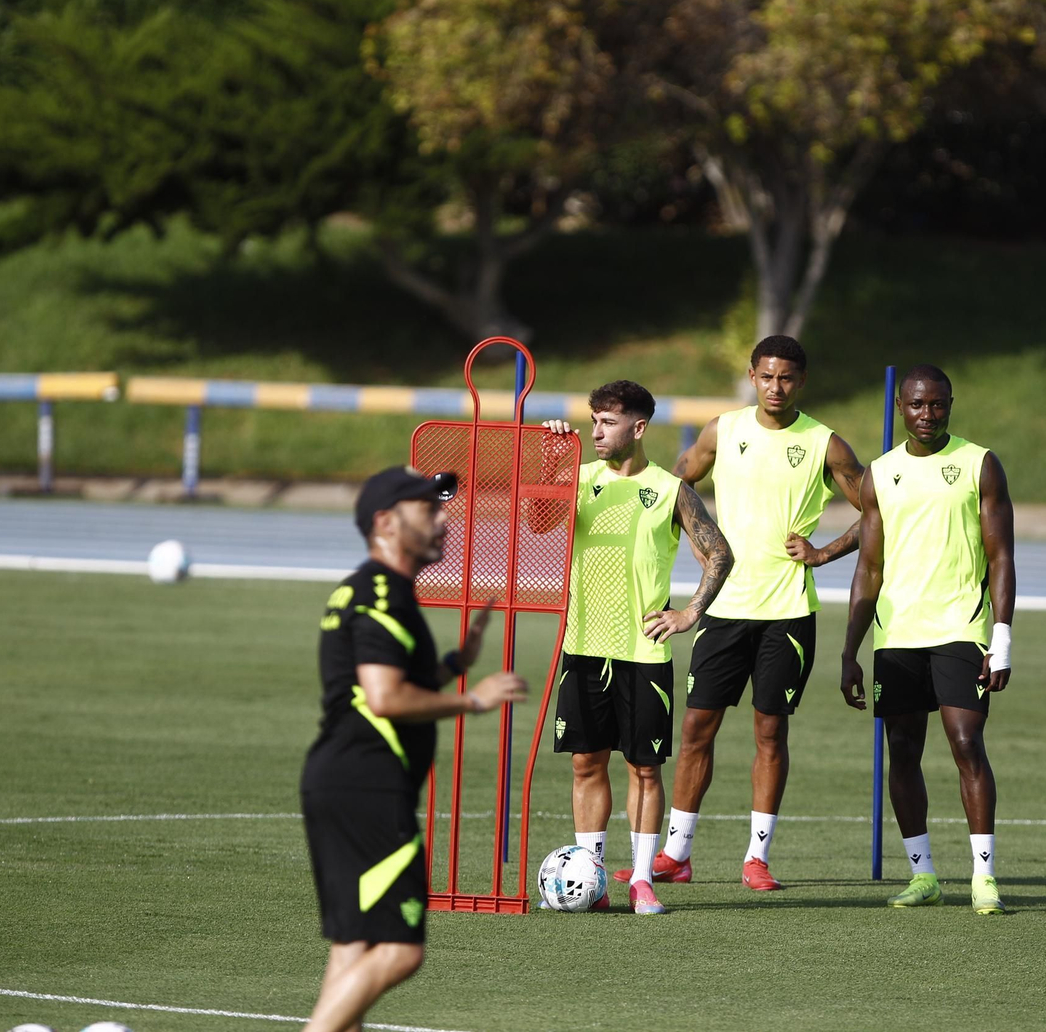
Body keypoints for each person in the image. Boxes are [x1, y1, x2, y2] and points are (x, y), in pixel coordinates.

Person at [618, 335, 866, 891]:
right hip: (724, 609)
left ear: (801, 381)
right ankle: (676, 854)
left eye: (788, 378)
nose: (776, 387)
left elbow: (878, 510)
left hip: (788, 613)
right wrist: (697, 539)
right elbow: (671, 487)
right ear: (752, 375)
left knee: (769, 733)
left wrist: (824, 553)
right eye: (767, 376)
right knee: (696, 727)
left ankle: (757, 857)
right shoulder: (722, 431)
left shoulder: (826, 444)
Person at [300, 466, 527, 1032]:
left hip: (346, 782)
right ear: (385, 523)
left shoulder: (380, 590)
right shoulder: (381, 592)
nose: (444, 517)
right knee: (400, 951)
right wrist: (472, 701)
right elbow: (384, 697)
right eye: (428, 509)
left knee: (354, 950)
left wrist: (452, 664)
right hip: (366, 787)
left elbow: (379, 679)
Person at [541, 380, 732, 915]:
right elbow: (537, 523)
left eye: (608, 422)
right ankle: (592, 875)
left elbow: (719, 553)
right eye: (593, 420)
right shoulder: (578, 481)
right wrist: (555, 462)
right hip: (583, 646)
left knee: (644, 769)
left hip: (643, 652)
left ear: (638, 427)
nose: (596, 431)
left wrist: (690, 612)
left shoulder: (671, 491)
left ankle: (642, 879)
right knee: (585, 762)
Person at [840, 364, 1015, 915]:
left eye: (937, 405)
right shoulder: (879, 474)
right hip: (897, 636)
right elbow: (869, 568)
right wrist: (850, 650)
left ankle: (983, 877)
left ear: (950, 404)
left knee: (966, 743)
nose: (927, 415)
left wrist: (1002, 638)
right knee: (903, 751)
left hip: (961, 628)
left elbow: (1002, 557)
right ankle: (924, 876)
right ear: (901, 407)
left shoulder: (978, 464)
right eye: (916, 405)